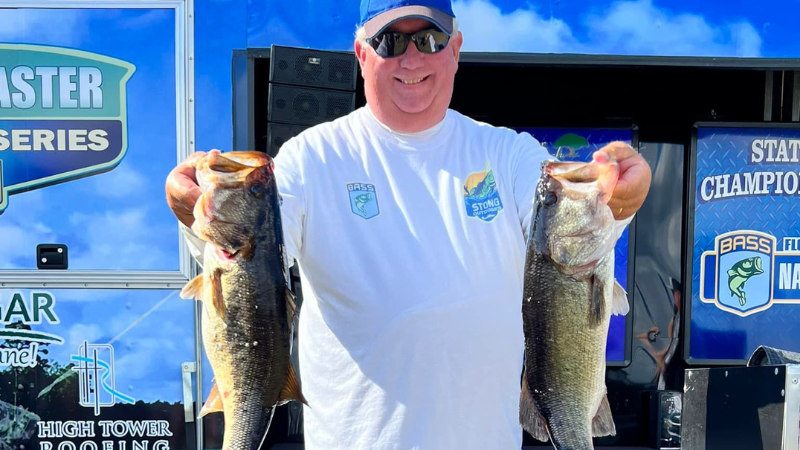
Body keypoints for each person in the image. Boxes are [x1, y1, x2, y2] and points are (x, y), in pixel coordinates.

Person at [165, 0, 652, 448]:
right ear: (361, 54)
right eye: (390, 41)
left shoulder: (507, 153)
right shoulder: (312, 157)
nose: (412, 57)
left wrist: (620, 195)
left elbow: (568, 223)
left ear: (455, 50)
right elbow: (251, 252)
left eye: (430, 39)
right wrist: (196, 210)